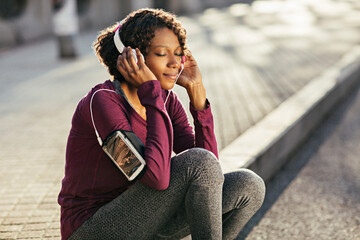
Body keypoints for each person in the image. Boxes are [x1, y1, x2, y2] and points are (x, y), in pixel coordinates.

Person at [58, 8, 265, 240]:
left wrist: (197, 97)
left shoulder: (166, 100)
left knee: (249, 186)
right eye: (161, 53)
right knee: (198, 162)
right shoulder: (102, 103)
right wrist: (151, 92)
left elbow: (210, 175)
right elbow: (156, 179)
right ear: (133, 57)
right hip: (92, 229)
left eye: (178, 53)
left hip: (144, 220)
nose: (174, 63)